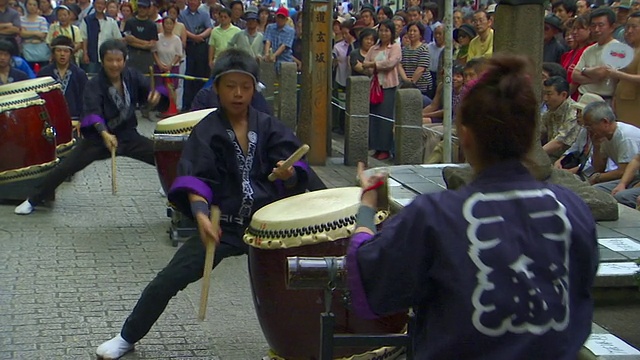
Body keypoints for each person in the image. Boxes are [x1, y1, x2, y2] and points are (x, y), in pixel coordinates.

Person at [348, 54, 598, 359]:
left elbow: (370, 280)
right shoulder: (571, 208)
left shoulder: (435, 215)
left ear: (465, 135)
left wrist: (366, 206)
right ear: (530, 132)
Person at [94, 48, 310, 360]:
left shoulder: (269, 126)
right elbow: (195, 177)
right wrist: (201, 216)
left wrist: (288, 174)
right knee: (168, 279)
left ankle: (294, 347)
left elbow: (297, 174)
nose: (238, 94)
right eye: (230, 86)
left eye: (245, 87)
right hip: (223, 225)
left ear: (254, 89)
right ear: (217, 88)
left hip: (268, 227)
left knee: (291, 286)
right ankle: (127, 337)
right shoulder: (207, 130)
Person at [14, 39, 168, 215]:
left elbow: (150, 94)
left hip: (127, 135)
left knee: (162, 156)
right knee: (66, 168)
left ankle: (171, 185)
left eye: (119, 60)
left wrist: (155, 98)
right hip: (98, 138)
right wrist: (105, 134)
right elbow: (93, 112)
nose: (115, 64)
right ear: (102, 61)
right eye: (110, 60)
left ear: (125, 60)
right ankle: (33, 200)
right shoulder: (95, 84)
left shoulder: (132, 76)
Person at [362, 19, 400, 161]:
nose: (383, 33)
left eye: (386, 30)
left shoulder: (395, 47)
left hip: (388, 86)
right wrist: (372, 66)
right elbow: (365, 63)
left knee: (385, 118)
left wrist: (373, 65)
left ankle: (385, 148)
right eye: (381, 30)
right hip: (374, 85)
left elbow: (390, 63)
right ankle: (376, 147)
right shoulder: (374, 48)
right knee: (374, 116)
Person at [583, 101, 640, 186]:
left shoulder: (625, 137)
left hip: (634, 178)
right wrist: (596, 147)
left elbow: (623, 171)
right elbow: (599, 168)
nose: (588, 129)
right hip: (625, 178)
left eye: (590, 125)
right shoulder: (603, 136)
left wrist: (598, 177)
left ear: (605, 122)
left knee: (597, 189)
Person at [571, 7, 620, 101]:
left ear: (612, 27)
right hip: (582, 97)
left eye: (601, 25)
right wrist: (593, 78)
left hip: (602, 99)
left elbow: (602, 73)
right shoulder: (589, 50)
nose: (596, 29)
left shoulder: (617, 48)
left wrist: (584, 70)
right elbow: (575, 75)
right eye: (593, 25)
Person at [38, 35, 88, 119]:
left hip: (74, 118)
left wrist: (81, 120)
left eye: (66, 51)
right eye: (58, 51)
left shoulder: (79, 74)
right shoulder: (44, 73)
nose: (62, 54)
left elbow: (85, 100)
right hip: (50, 118)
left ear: (71, 53)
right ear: (53, 53)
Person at [606, 12, 640, 127]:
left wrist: (617, 74)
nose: (629, 31)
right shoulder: (627, 50)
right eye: (627, 27)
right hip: (621, 99)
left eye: (634, 27)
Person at [179, 0, 212, 110]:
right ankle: (186, 105)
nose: (193, 2)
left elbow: (209, 28)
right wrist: (194, 37)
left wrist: (200, 36)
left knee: (201, 74)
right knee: (188, 76)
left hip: (202, 46)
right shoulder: (182, 14)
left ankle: (200, 104)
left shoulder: (204, 14)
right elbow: (182, 28)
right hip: (188, 45)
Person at [541, 76, 579, 161]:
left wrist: (535, 155)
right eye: (544, 94)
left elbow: (559, 142)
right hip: (550, 155)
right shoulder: (550, 111)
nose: (545, 98)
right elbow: (539, 131)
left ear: (563, 95)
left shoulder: (574, 113)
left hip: (566, 160)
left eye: (549, 94)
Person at [80, 0, 122, 74]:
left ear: (105, 6)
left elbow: (118, 39)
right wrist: (85, 54)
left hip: (108, 57)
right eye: (98, 3)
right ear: (94, 4)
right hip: (92, 56)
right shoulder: (87, 20)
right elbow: (84, 38)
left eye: (102, 4)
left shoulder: (111, 22)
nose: (100, 6)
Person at [20, 0, 49, 70]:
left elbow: (43, 35)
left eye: (34, 5)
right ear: (26, 6)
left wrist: (28, 34)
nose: (32, 7)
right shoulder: (21, 19)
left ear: (38, 7)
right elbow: (21, 34)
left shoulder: (42, 20)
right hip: (26, 51)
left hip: (41, 52)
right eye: (30, 4)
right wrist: (36, 33)